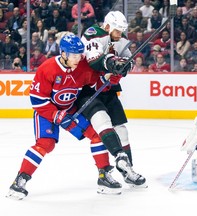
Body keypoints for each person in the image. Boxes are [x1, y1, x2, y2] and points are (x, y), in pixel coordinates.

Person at [6, 35, 133, 200]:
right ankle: (19, 181)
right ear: (63, 54)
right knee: (46, 144)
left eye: (80, 54)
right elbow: (37, 100)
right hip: (47, 112)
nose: (78, 58)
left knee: (97, 137)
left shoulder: (83, 66)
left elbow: (97, 85)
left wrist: (114, 76)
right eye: (74, 55)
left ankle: (104, 178)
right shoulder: (47, 68)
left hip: (70, 110)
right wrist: (56, 115)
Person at [80, 11, 147, 189]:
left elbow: (127, 58)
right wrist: (113, 64)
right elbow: (94, 60)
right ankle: (115, 161)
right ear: (108, 26)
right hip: (88, 88)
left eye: (122, 31)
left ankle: (128, 171)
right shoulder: (92, 33)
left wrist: (124, 67)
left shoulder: (120, 38)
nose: (120, 34)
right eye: (117, 30)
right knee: (103, 122)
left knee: (122, 130)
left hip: (108, 88)